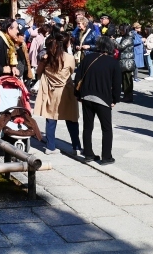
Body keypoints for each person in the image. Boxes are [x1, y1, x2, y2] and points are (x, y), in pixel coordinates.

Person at [74, 36, 121, 165]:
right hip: (103, 99)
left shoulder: (88, 58)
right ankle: (106, 156)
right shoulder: (113, 63)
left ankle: (88, 154)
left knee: (88, 127)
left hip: (87, 96)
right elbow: (117, 84)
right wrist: (115, 99)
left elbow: (78, 77)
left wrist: (77, 94)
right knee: (106, 128)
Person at [33, 31, 81, 155]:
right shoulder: (69, 58)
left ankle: (50, 146)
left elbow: (38, 72)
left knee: (51, 118)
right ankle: (76, 146)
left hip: (51, 89)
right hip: (66, 90)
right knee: (71, 119)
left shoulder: (47, 57)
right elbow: (71, 71)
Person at [116, 24, 136, 103]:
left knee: (127, 80)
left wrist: (113, 40)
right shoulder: (125, 37)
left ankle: (128, 96)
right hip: (123, 60)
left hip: (127, 61)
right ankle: (126, 95)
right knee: (124, 79)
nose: (120, 31)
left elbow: (120, 47)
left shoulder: (129, 38)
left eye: (121, 30)